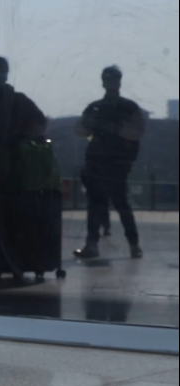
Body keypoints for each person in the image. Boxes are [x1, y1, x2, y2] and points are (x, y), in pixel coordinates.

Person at [0, 56, 49, 280]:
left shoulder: (17, 101)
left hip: (11, 170)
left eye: (1, 72)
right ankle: (0, 260)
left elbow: (39, 125)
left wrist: (15, 140)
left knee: (3, 219)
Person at [73, 65, 145, 260]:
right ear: (105, 82)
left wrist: (111, 127)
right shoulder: (101, 107)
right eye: (109, 80)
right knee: (101, 205)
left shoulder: (126, 108)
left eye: (114, 80)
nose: (112, 84)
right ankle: (102, 244)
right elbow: (81, 130)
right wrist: (91, 123)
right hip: (101, 162)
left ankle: (130, 244)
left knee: (114, 204)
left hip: (116, 163)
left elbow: (137, 132)